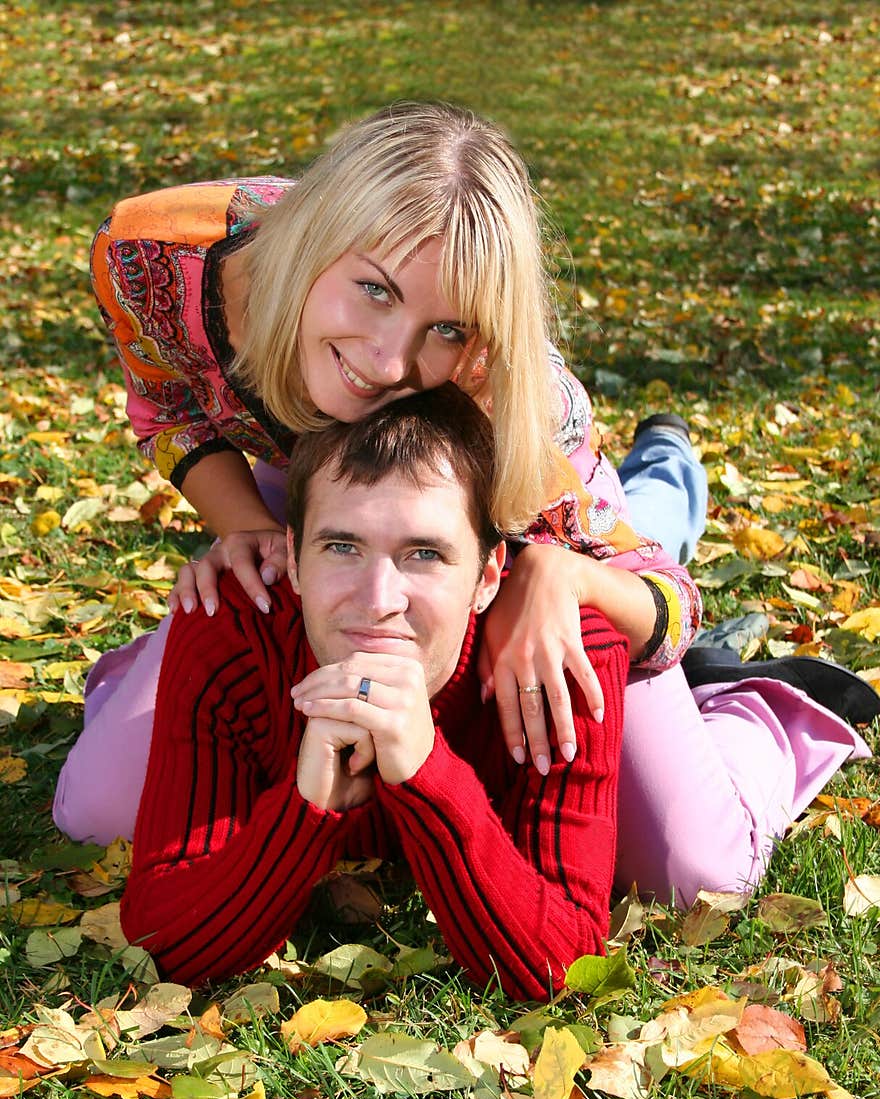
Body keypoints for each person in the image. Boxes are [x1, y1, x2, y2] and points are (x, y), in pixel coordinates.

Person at [56, 98, 874, 911]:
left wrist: (559, 575)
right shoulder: (154, 253)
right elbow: (170, 409)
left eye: (443, 327)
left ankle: (749, 689)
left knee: (694, 870)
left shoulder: (513, 403)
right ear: (311, 245)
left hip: (509, 510)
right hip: (321, 489)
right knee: (99, 810)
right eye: (373, 291)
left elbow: (665, 596)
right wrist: (254, 531)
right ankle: (141, 674)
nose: (388, 362)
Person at [116, 388, 630, 1000]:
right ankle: (113, 686)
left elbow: (565, 965)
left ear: (488, 576)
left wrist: (429, 773)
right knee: (94, 802)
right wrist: (307, 811)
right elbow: (157, 933)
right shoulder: (232, 628)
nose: (378, 599)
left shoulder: (564, 663)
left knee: (694, 855)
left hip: (597, 517)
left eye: (425, 554)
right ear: (295, 560)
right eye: (342, 547)